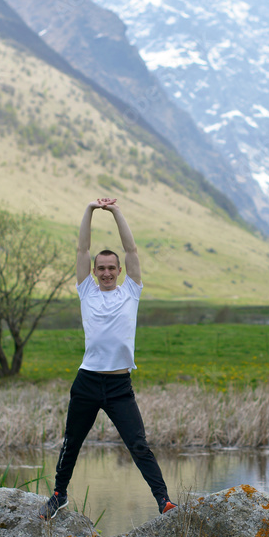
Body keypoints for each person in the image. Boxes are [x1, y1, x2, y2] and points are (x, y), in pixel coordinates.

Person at [40, 198, 177, 519]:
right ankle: (59, 495)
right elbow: (81, 251)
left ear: (119, 270)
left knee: (139, 445)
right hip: (87, 382)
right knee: (71, 443)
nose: (105, 272)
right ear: (94, 271)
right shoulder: (86, 290)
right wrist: (88, 210)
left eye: (111, 268)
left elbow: (132, 251)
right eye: (100, 268)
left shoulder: (131, 291)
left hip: (119, 386)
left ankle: (164, 501)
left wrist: (115, 211)